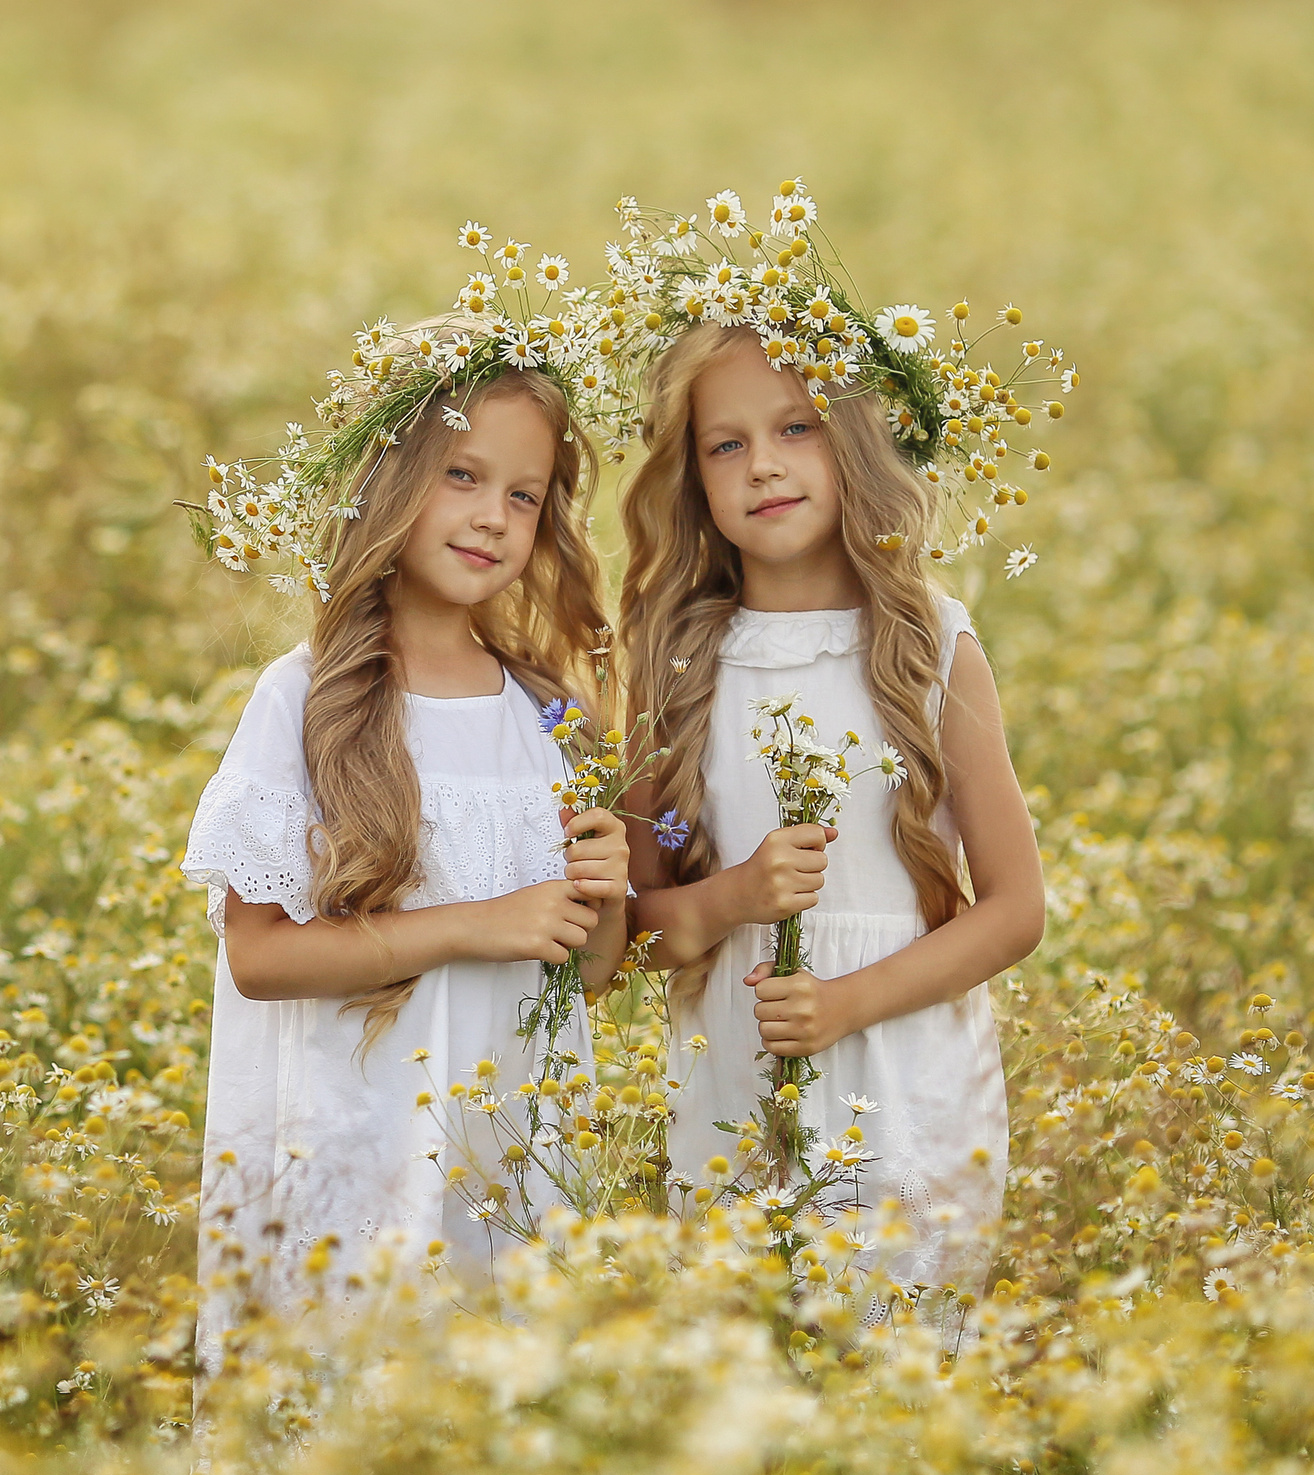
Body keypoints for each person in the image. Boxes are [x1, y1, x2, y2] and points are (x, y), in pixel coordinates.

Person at [183, 353, 628, 1363]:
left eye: (524, 495)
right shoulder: (305, 698)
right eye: (461, 477)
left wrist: (604, 888)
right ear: (387, 482)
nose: (492, 518)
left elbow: (589, 976)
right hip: (354, 1144)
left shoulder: (549, 709)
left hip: (506, 1154)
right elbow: (260, 959)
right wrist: (478, 923)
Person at [619, 324, 1044, 1302]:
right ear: (693, 478)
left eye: (796, 428)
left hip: (904, 1069)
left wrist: (845, 1004)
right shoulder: (674, 668)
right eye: (725, 445)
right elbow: (647, 906)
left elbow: (1014, 909)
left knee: (892, 1370)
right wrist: (731, 895)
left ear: (851, 441)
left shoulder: (927, 646)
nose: (761, 465)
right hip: (734, 1064)